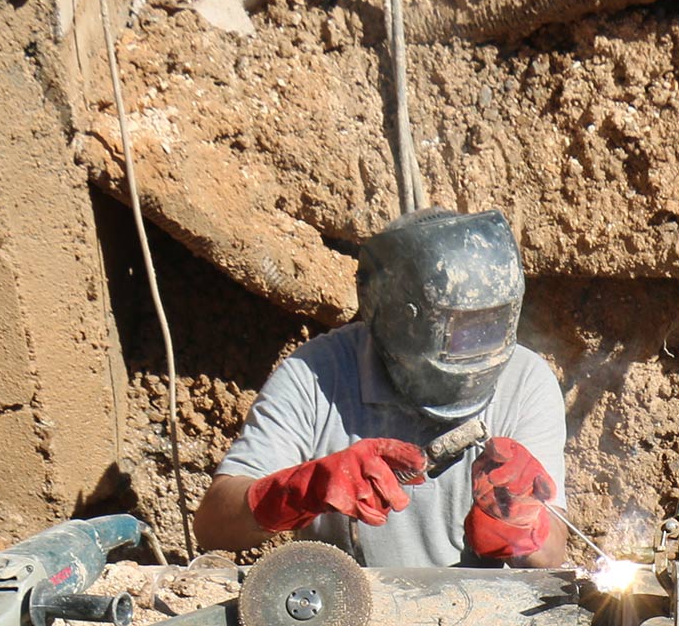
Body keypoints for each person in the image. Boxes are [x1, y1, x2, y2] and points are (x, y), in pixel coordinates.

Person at [194, 206, 571, 568]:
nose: (477, 346)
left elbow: (552, 553)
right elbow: (212, 525)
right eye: (459, 331)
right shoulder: (318, 373)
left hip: (481, 607)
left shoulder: (525, 379)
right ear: (401, 317)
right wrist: (301, 491)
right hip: (346, 602)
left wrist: (525, 525)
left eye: (491, 325)